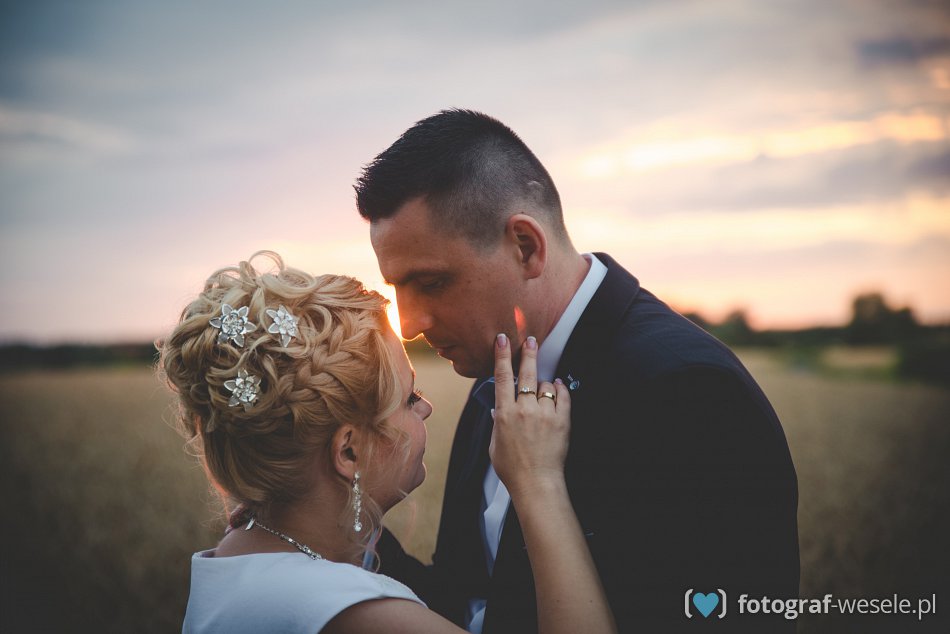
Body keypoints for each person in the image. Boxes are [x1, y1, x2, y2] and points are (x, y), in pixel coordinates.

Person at [355, 109, 800, 632]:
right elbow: (473, 602)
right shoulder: (493, 374)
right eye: (396, 288)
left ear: (526, 247)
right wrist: (333, 531)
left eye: (431, 283)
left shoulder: (691, 394)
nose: (408, 324)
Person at [158, 252, 616, 634]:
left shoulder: (238, 554)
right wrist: (538, 481)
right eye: (409, 398)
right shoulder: (361, 615)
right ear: (348, 451)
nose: (426, 408)